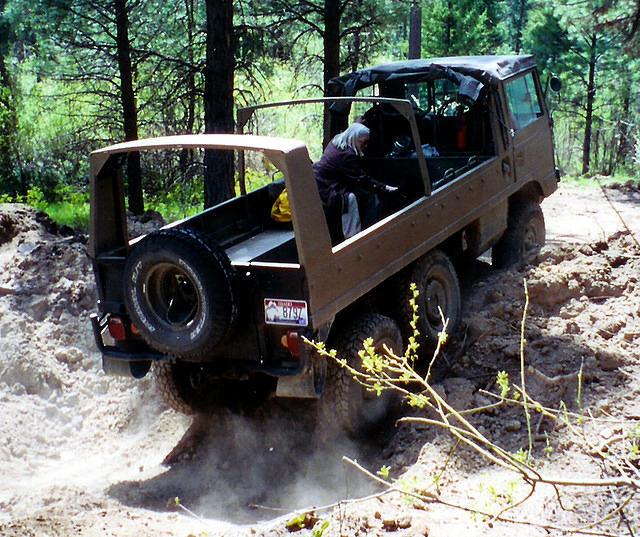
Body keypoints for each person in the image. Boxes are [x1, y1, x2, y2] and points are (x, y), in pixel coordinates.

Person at [313, 123, 398, 241]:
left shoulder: (337, 140)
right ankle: (354, 237)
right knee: (351, 199)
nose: (366, 146)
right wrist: (384, 187)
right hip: (327, 188)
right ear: (355, 139)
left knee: (362, 194)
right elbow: (361, 179)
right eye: (364, 142)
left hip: (323, 181)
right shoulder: (346, 155)